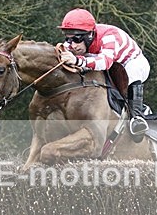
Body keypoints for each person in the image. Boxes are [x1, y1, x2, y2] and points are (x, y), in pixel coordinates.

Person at [58, 8, 152, 138]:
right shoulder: (76, 42)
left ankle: (137, 117)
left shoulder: (109, 36)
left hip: (130, 63)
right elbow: (62, 50)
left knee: (131, 73)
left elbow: (105, 62)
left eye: (77, 39)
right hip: (110, 64)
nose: (72, 45)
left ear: (89, 35)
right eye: (68, 39)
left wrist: (77, 60)